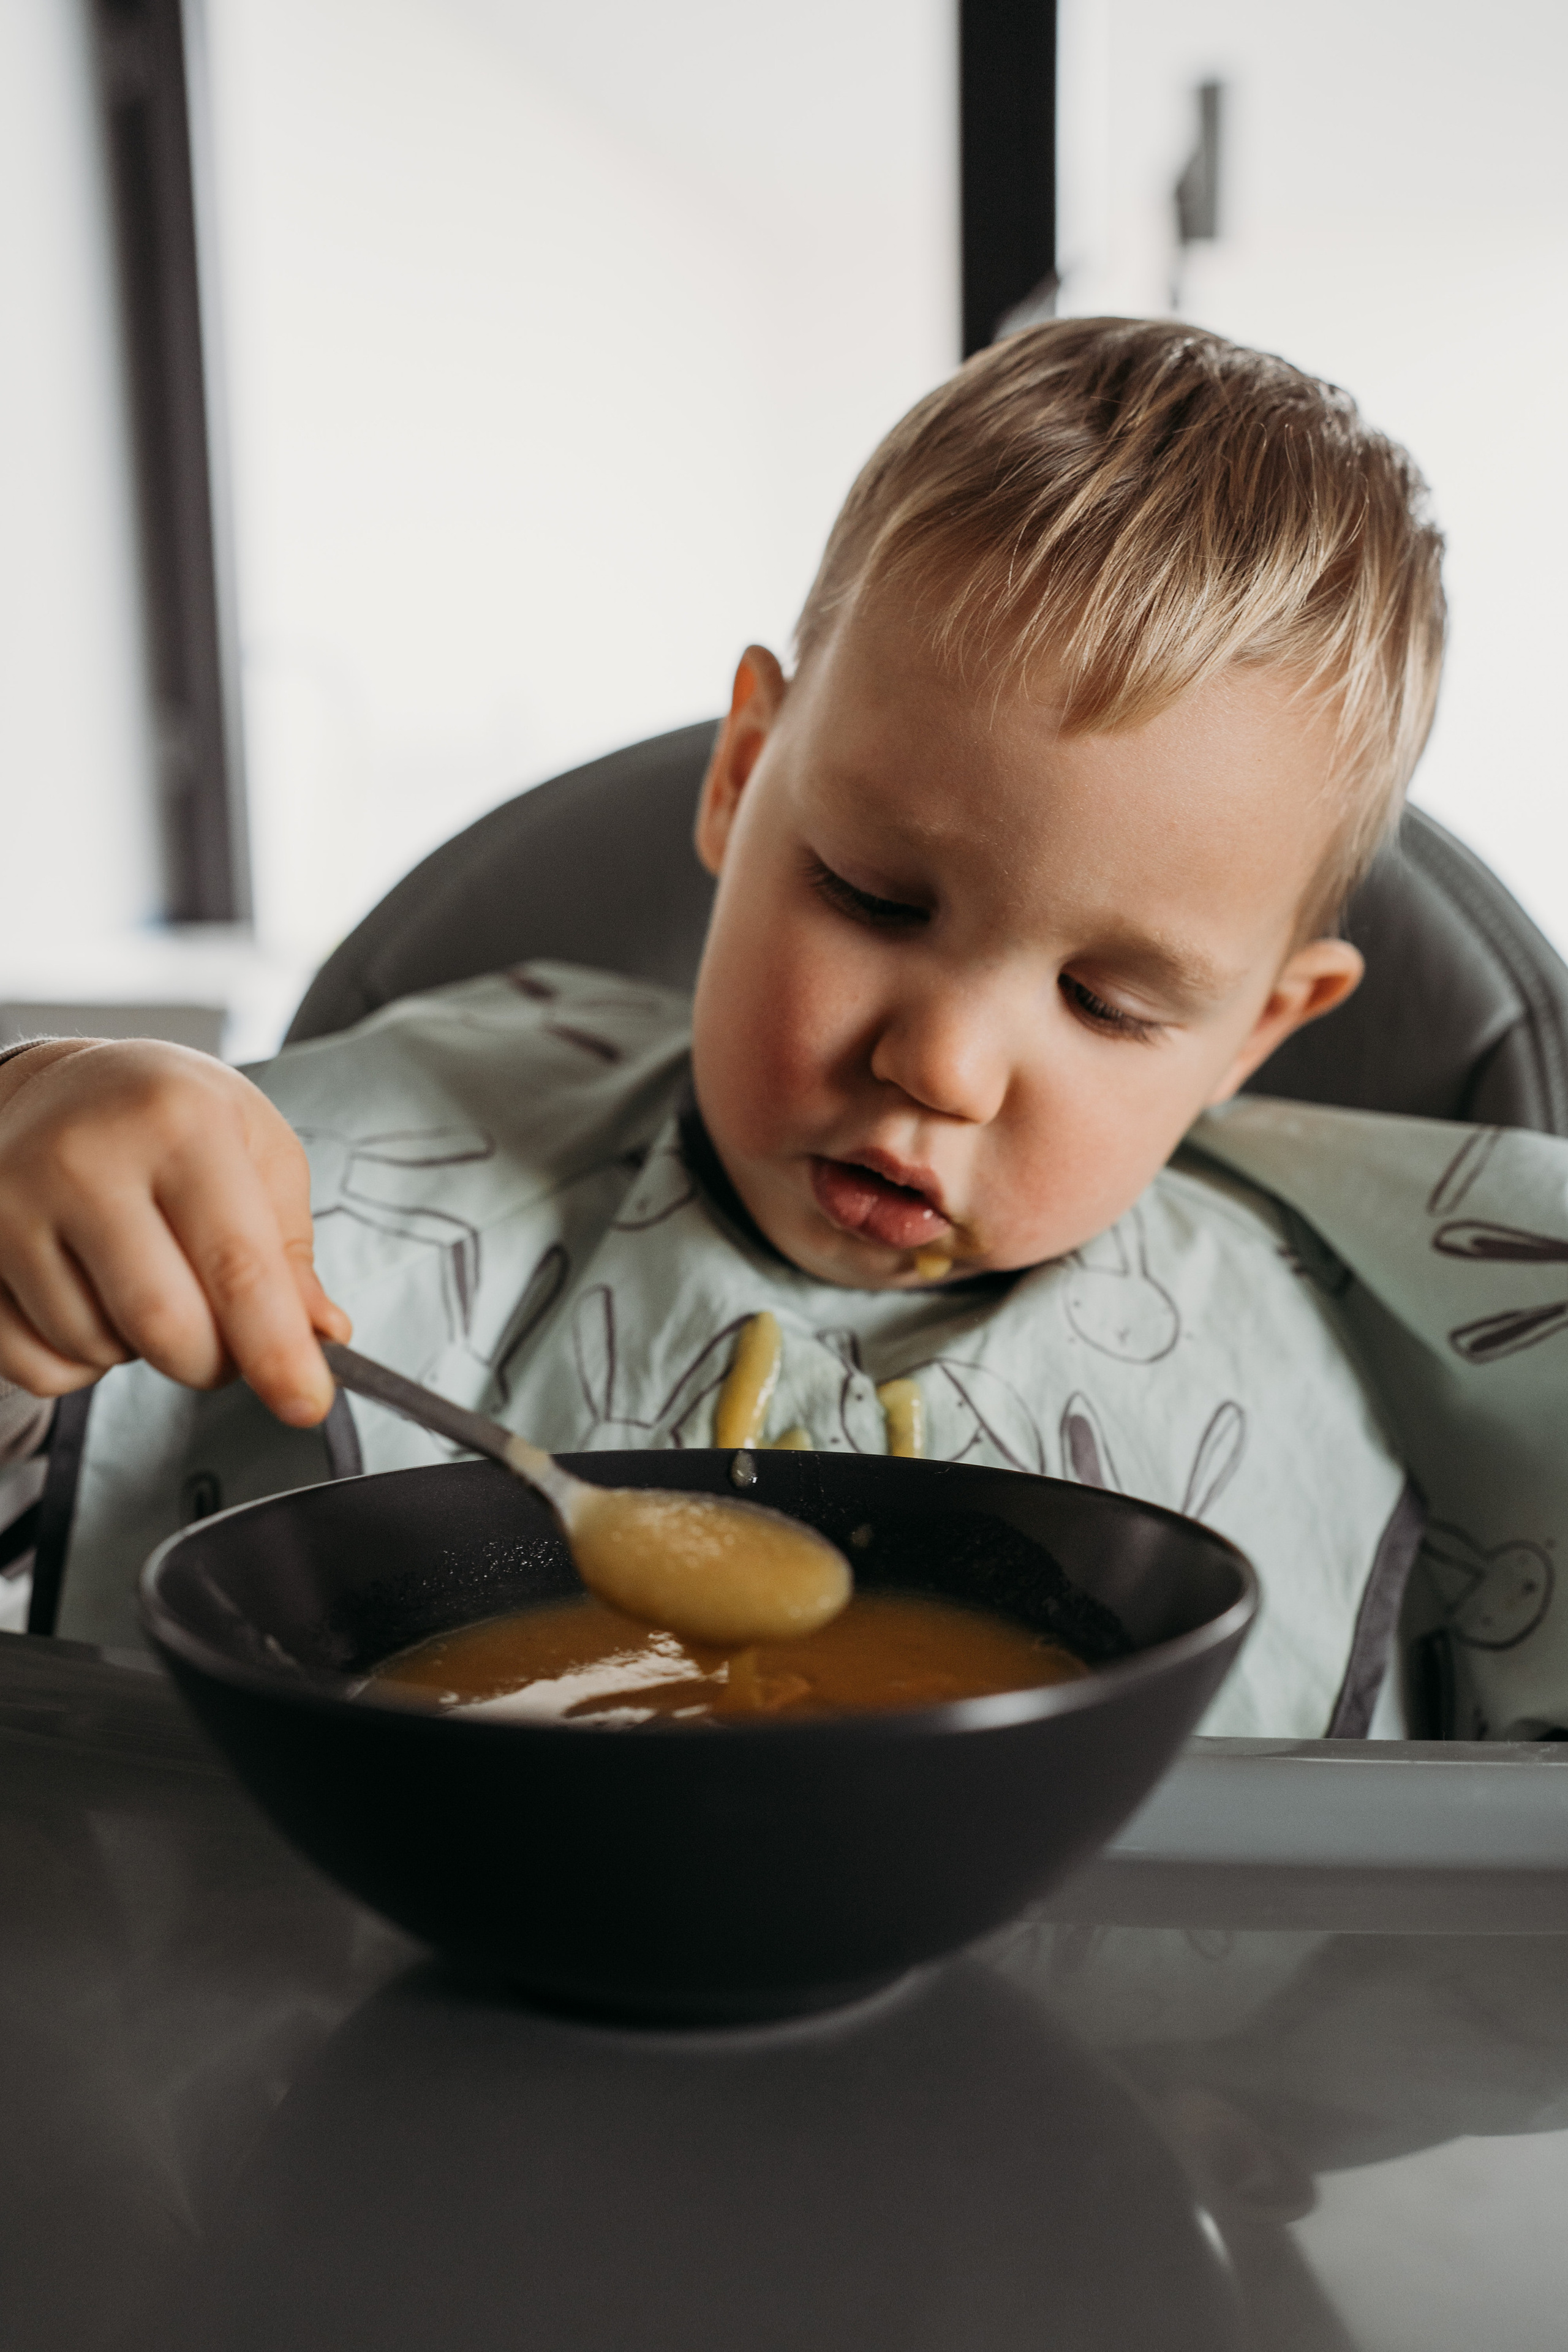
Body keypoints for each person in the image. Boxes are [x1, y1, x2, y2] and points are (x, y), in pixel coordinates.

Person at [5, 315, 1557, 1738]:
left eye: (1106, 1002)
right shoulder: (398, 1168)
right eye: (873, 897)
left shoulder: (1345, 1364)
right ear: (744, 774)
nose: (939, 1066)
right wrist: (33, 1231)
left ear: (1254, 1033)